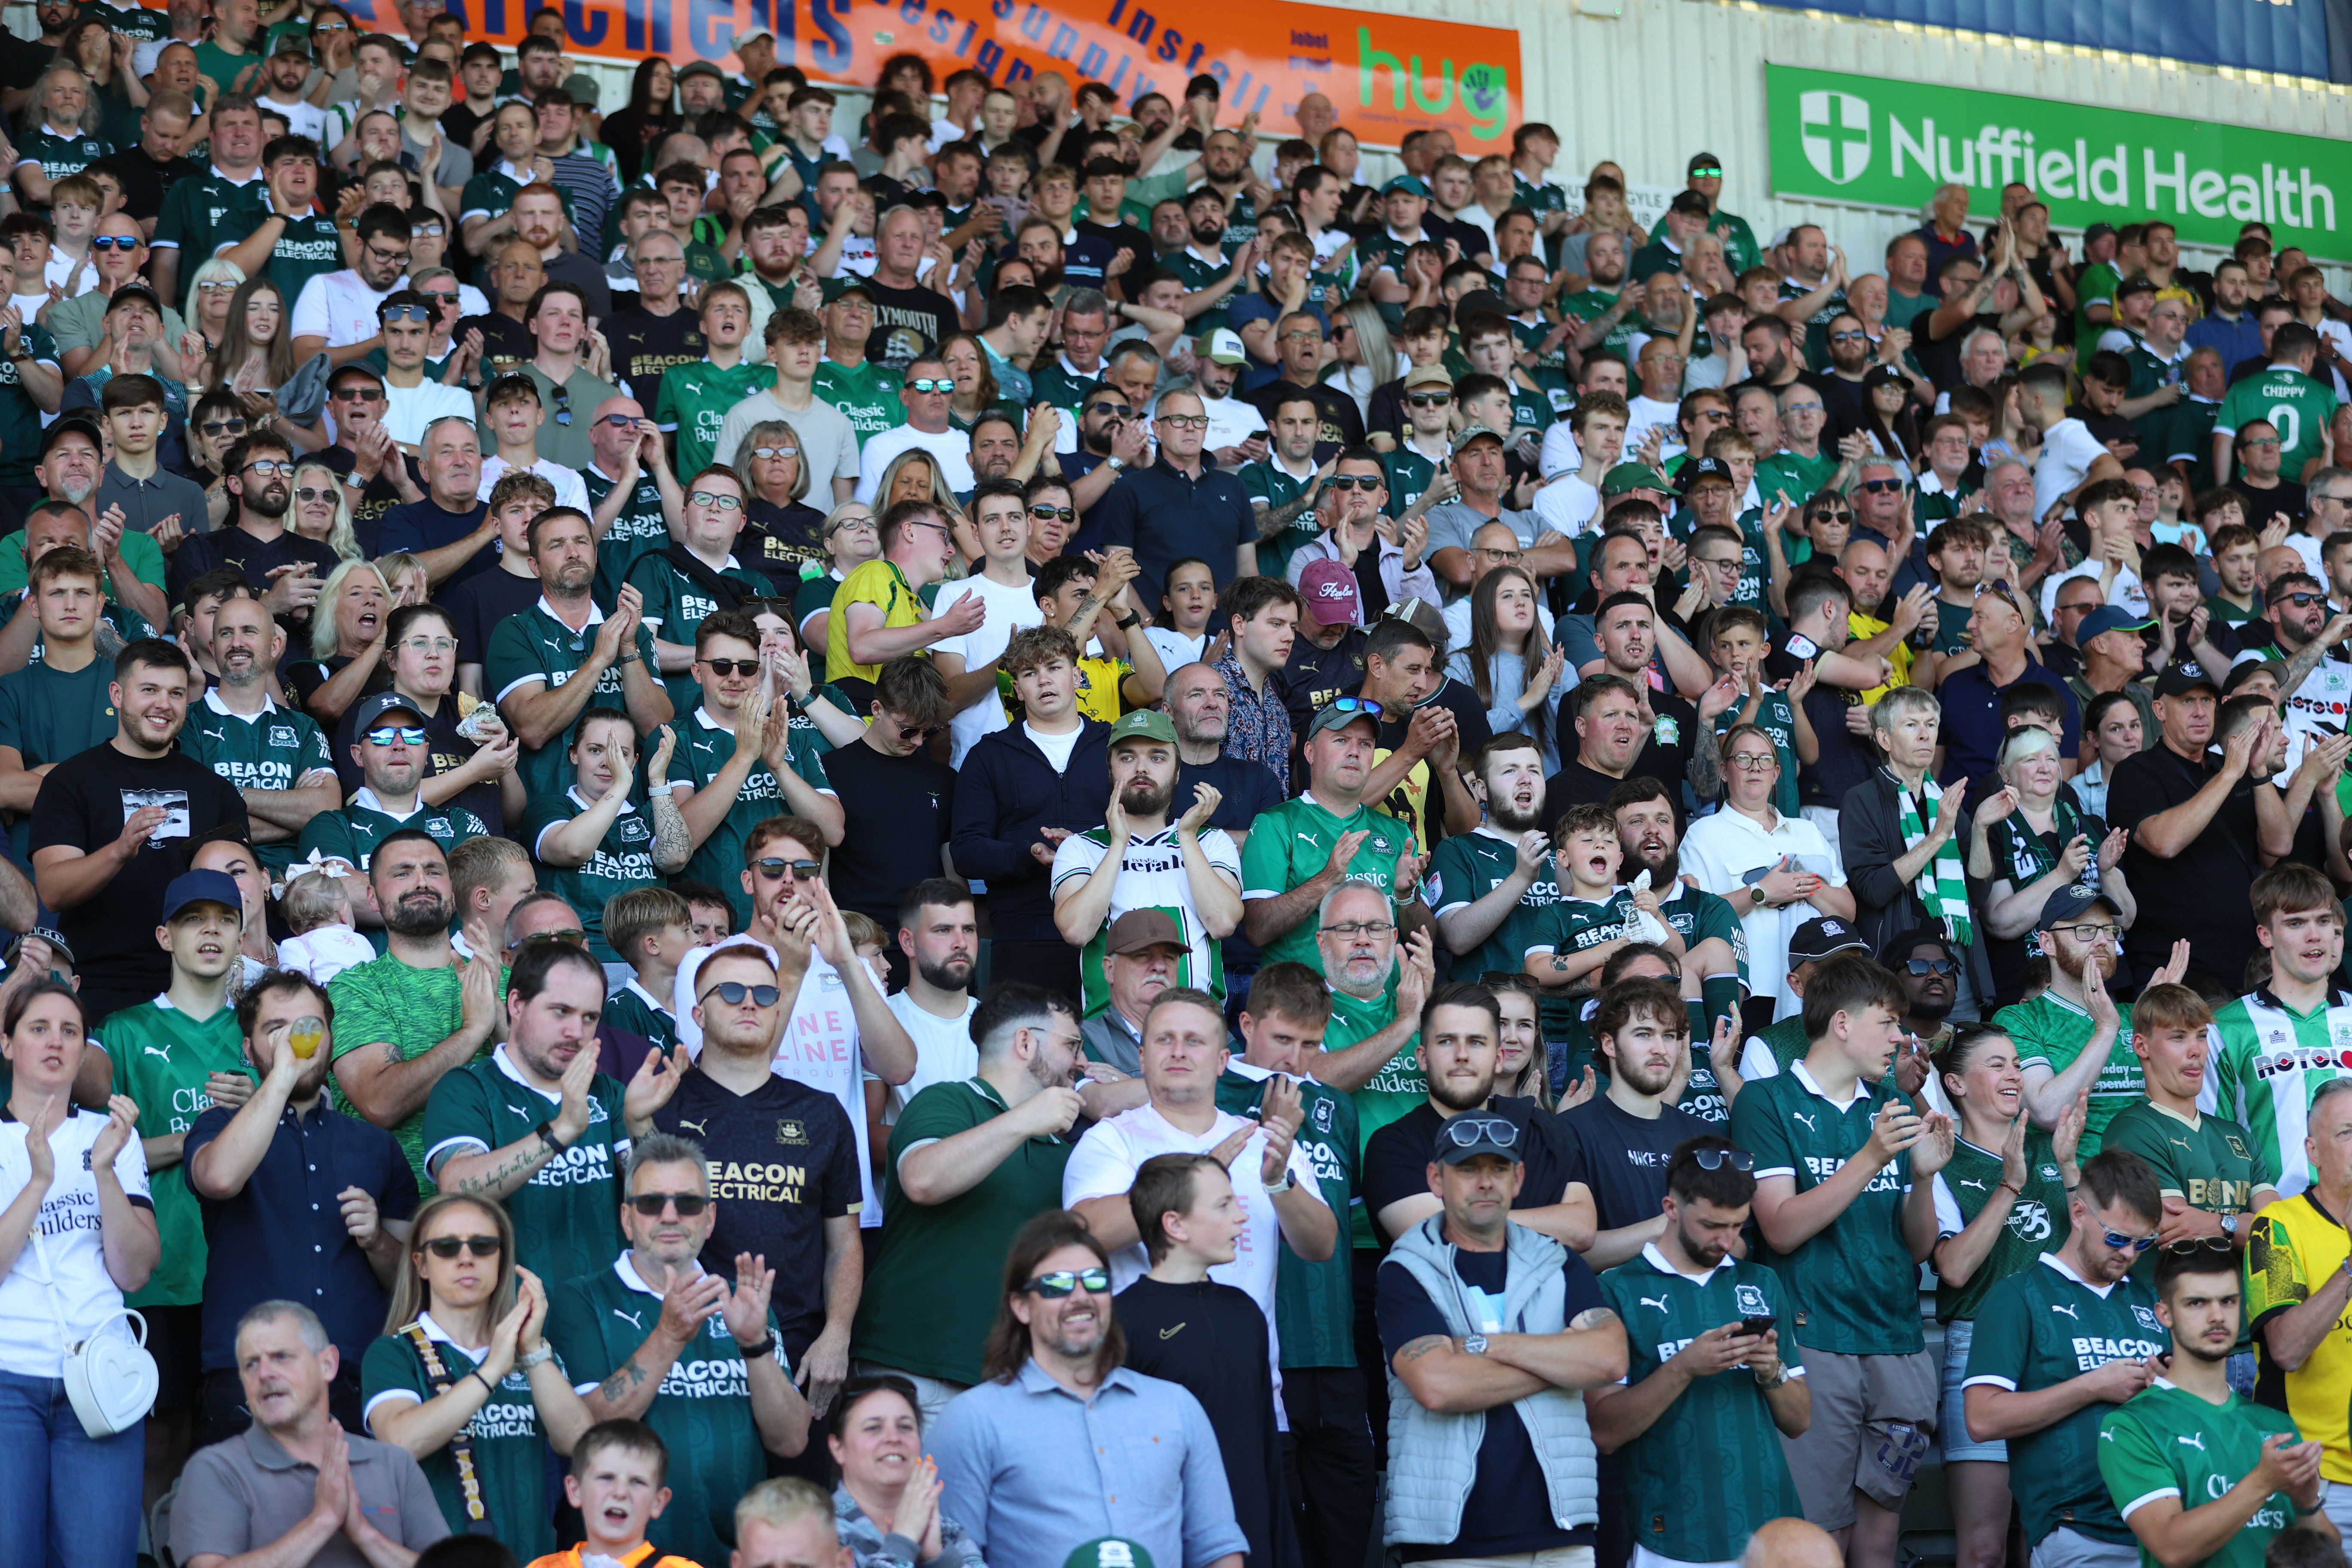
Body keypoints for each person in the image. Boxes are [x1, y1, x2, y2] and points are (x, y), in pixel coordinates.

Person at [1727, 955, 1943, 1562]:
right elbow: (1780, 1228)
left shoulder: (1893, 1106)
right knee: (1820, 1539)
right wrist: (1871, 1158)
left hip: (1899, 1341)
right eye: (1888, 1022)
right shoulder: (1766, 1101)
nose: (1900, 1037)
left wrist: (1923, 1179)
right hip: (1814, 1339)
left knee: (1881, 1539)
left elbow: (1919, 1248)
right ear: (1842, 1023)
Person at [1376, 1061, 1626, 1565]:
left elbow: (1609, 1359)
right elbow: (1439, 1386)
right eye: (1467, 1169)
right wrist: (1560, 1365)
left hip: (1562, 1534)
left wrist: (1481, 1348)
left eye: (1498, 1169)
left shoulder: (1557, 1262)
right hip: (1450, 1540)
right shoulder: (1407, 1268)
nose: (1485, 1183)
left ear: (1519, 1179)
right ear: (1436, 1179)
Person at [542, 1130, 812, 1568]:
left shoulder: (742, 1300)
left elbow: (792, 1440)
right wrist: (668, 1336)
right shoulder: (583, 1299)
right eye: (651, 1203)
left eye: (687, 1203)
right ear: (627, 1218)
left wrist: (755, 1345)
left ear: (710, 1218)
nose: (670, 1216)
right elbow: (586, 1433)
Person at [927, 1208, 1250, 1568]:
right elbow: (950, 1556)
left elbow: (1217, 1547)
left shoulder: (1177, 1406)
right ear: (1021, 1307)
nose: (1080, 1296)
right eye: (1057, 1285)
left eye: (1096, 1281)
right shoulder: (971, 1419)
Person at [185, 968, 419, 1441]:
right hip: (248, 1377)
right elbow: (219, 1179)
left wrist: (376, 1241)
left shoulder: (377, 1145)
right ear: (249, 1049)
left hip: (355, 1375)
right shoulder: (219, 1126)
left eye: (310, 1027)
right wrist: (284, 1073)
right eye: (277, 1030)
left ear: (331, 1038)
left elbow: (409, 1283)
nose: (297, 1041)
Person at [851, 982, 1086, 1424]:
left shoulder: (1060, 1148)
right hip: (915, 1374)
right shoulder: (949, 1101)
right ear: (1025, 1042)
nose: (1082, 1061)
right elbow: (922, 1179)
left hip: (1014, 1386)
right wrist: (1023, 1120)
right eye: (1072, 1044)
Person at [648, 938, 863, 1395]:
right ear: (698, 1014)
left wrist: (837, 1334)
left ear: (778, 1011)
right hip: (686, 1343)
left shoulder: (822, 1114)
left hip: (798, 1347)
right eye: (730, 992)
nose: (749, 1003)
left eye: (765, 995)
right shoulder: (660, 1108)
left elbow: (844, 1243)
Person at [1587, 1135, 1811, 1568]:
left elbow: (1799, 1422)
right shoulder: (1615, 1289)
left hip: (1770, 1531)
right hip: (1671, 1537)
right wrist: (1685, 1367)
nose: (1727, 1240)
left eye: (1738, 1226)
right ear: (1671, 1208)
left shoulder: (1762, 1283)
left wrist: (1772, 1371)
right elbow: (1605, 1431)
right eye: (1712, 1225)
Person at [418, 936, 680, 1289]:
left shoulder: (608, 1092)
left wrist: (640, 1122)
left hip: (611, 1311)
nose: (576, 1032)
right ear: (516, 1005)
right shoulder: (467, 1088)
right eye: (561, 1011)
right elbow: (457, 1188)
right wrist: (560, 1131)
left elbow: (662, 1204)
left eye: (590, 1017)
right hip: (514, 1309)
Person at [0, 980, 155, 1568]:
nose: (56, 1042)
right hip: (6, 1379)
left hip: (100, 1376)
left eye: (70, 1031)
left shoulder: (110, 1138)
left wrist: (106, 1171)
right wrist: (39, 1181)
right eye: (38, 1028)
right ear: (7, 1044)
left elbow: (134, 1271)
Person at [1960, 1148, 2169, 1568]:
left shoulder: (2152, 1301)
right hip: (2077, 1532)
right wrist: (2093, 1386)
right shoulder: (2017, 1295)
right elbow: (1981, 1419)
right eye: (2117, 1238)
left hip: (2164, 1530)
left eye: (2143, 1242)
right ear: (2078, 1214)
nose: (2130, 1253)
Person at [359, 1193, 594, 1557]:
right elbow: (401, 1441)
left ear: (501, 1259)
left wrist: (532, 1351)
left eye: (483, 1245)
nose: (466, 1258)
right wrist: (491, 1371)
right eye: (447, 1247)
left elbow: (582, 1445)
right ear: (421, 1264)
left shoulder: (532, 1351)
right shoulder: (392, 1352)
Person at [29, 638, 248, 1022]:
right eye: (149, 690)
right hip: (100, 984)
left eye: (176, 693)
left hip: (198, 985)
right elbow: (53, 891)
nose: (163, 704)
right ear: (117, 694)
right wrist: (119, 851)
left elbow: (241, 890)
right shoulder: (70, 781)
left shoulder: (215, 790)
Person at [2096, 1242, 2336, 1568]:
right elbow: (2171, 1548)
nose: (2217, 1316)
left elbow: (2330, 1556)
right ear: (2164, 1314)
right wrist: (2263, 1482)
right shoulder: (2131, 1426)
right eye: (2197, 1303)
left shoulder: (2276, 1424)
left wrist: (2307, 1503)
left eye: (2228, 1301)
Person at [1115, 1152, 1295, 1568]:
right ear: (1175, 1225)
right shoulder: (1121, 1322)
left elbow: (1266, 1449)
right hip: (1166, 1546)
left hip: (1253, 1540)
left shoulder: (1245, 1313)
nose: (1242, 1217)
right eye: (1224, 1205)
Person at [171, 1300, 451, 1568]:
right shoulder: (216, 1468)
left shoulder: (394, 1464)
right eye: (251, 1364)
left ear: (328, 1365)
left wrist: (366, 1535)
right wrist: (323, 1520)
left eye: (281, 1357)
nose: (265, 1374)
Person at [1052, 707, 1241, 1009]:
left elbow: (1223, 923)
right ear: (1110, 770)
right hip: (1111, 1030)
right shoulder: (1080, 846)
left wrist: (1187, 837)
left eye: (1157, 758)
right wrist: (1118, 844)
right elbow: (1077, 931)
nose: (1142, 769)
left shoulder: (1210, 841)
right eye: (1127, 758)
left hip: (1197, 1025)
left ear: (1177, 772)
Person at [485, 507, 672, 800]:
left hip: (629, 808)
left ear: (596, 555)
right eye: (557, 545)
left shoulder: (631, 631)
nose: (573, 553)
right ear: (534, 565)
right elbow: (532, 729)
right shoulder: (515, 631)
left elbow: (656, 727)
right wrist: (598, 660)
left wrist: (627, 649)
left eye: (581, 542)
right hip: (550, 807)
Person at [2108, 659, 2272, 993]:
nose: (2199, 712)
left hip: (2244, 960)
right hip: (2172, 966)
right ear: (2159, 710)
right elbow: (2164, 843)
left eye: (2206, 701)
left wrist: (2257, 772)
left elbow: (2277, 848)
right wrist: (2230, 774)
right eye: (2186, 701)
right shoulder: (2136, 771)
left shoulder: (2234, 767)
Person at [1682, 722, 1853, 1026]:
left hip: (1819, 990)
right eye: (1743, 759)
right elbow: (1695, 920)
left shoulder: (1807, 831)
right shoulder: (1702, 835)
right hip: (1751, 990)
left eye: (1765, 760)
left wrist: (1800, 886)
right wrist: (1761, 892)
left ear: (1776, 774)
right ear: (1724, 771)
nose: (1755, 768)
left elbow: (1847, 911)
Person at [1560, 977, 1726, 1265]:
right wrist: (1668, 1226)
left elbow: (1737, 1246)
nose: (1660, 1048)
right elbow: (1562, 1255)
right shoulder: (1569, 1132)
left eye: (1669, 1036)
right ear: (1609, 1044)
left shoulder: (1706, 1137)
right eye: (1644, 1034)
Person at [179, 586, 341, 875]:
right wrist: (294, 815)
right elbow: (196, 819)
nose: (236, 643)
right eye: (226, 633)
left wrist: (230, 793)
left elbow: (325, 809)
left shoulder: (303, 727)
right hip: (218, 882)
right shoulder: (187, 723)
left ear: (275, 646)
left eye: (249, 631)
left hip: (296, 886)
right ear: (213, 648)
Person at [826, 1377, 986, 1568]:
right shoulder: (818, 1532)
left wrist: (938, 1556)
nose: (894, 1438)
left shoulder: (947, 1531)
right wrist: (903, 1543)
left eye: (905, 1427)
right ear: (838, 1448)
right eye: (874, 1428)